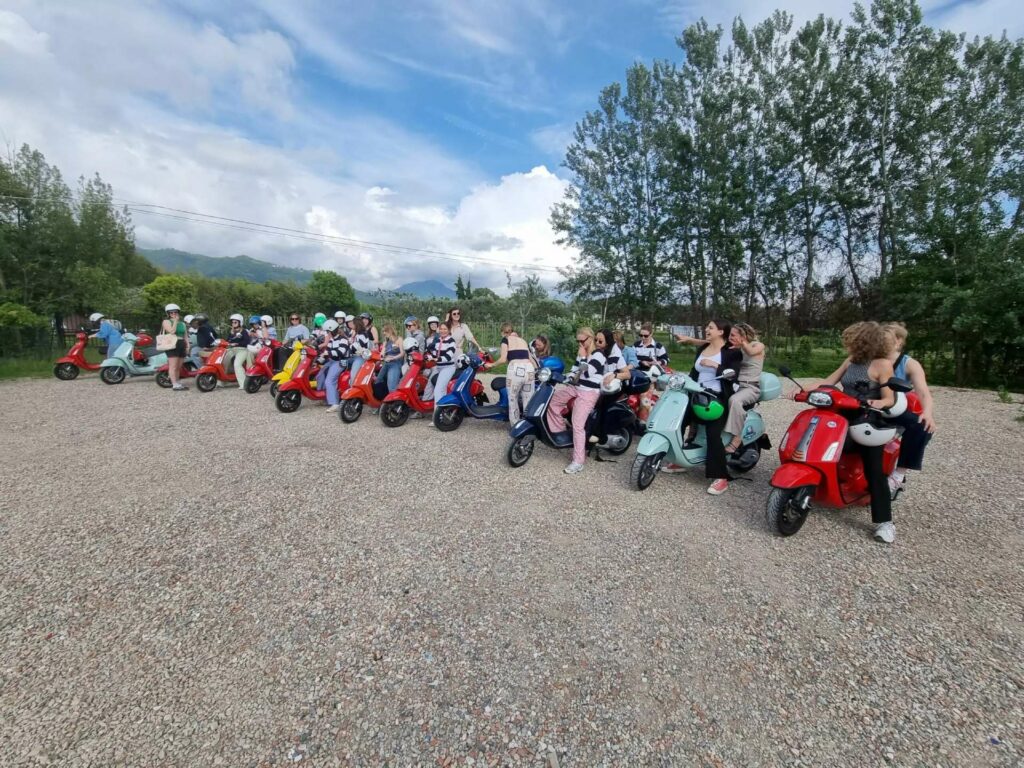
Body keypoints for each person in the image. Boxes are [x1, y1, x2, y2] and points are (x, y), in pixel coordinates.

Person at [804, 321, 898, 543]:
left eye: (850, 340)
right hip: (841, 415)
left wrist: (877, 402)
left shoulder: (882, 364)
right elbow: (829, 382)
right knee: (817, 445)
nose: (846, 343)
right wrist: (803, 390)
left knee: (874, 469)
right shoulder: (851, 360)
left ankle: (885, 523)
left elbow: (889, 398)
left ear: (863, 341)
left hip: (866, 418)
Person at [671, 320, 741, 495]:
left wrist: (715, 365)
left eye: (710, 327)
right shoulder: (703, 348)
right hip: (696, 394)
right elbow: (694, 372)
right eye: (707, 327)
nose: (706, 329)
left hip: (716, 398)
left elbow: (733, 375)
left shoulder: (731, 352)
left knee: (713, 434)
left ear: (721, 332)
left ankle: (721, 477)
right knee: (677, 421)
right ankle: (679, 459)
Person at [547, 327, 629, 474]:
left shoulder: (599, 354)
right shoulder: (582, 352)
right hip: (577, 387)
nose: (580, 344)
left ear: (589, 339)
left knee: (578, 425)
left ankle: (578, 461)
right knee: (553, 401)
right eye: (578, 341)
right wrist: (567, 377)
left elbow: (589, 371)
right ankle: (560, 433)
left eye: (582, 341)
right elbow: (575, 369)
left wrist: (584, 356)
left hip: (589, 392)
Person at [884, 322, 936, 499]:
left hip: (894, 409)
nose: (881, 342)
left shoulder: (909, 364)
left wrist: (927, 413)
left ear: (898, 341)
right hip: (870, 404)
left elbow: (923, 393)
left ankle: (899, 474)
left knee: (922, 426)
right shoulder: (871, 359)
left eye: (886, 339)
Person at [724, 323, 766, 454]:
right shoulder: (735, 348)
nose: (730, 337)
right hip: (735, 385)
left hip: (750, 387)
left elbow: (751, 352)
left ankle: (736, 439)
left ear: (743, 336)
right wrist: (690, 340)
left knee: (734, 401)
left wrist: (742, 343)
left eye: (733, 335)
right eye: (729, 335)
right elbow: (712, 343)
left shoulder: (757, 345)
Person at [492, 322, 535, 425]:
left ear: (503, 332)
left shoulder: (505, 340)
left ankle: (516, 426)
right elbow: (531, 358)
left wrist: (491, 365)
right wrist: (538, 370)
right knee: (528, 400)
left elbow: (503, 359)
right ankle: (528, 425)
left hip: (515, 370)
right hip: (529, 369)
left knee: (513, 399)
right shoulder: (523, 340)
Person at [427, 322, 459, 422]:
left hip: (448, 367)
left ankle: (438, 417)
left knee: (438, 390)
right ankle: (442, 411)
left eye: (445, 329)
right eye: (441, 329)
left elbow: (449, 356)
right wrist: (429, 356)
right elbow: (433, 351)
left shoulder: (451, 341)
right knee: (429, 384)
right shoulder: (437, 340)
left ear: (449, 330)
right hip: (438, 367)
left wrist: (437, 359)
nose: (443, 331)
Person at [319, 319, 350, 413]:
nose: (327, 334)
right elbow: (327, 351)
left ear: (331, 331)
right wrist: (319, 360)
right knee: (319, 375)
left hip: (341, 361)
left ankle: (335, 403)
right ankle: (324, 396)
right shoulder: (332, 340)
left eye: (327, 332)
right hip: (332, 361)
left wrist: (327, 353)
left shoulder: (343, 339)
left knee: (329, 380)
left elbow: (341, 352)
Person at [161, 303, 189, 390]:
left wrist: (188, 346)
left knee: (179, 366)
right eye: (171, 312)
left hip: (181, 343)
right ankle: (174, 384)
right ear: (168, 314)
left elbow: (185, 336)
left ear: (178, 312)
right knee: (173, 366)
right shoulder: (166, 322)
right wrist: (175, 321)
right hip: (172, 344)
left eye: (175, 312)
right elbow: (172, 331)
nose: (173, 314)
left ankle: (177, 382)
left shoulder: (183, 324)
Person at [223, 313, 250, 386]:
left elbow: (247, 342)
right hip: (232, 349)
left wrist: (237, 344)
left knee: (237, 364)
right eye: (232, 322)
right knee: (223, 362)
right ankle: (222, 381)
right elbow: (227, 341)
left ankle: (243, 384)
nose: (233, 324)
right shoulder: (232, 332)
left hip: (242, 350)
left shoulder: (244, 331)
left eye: (235, 322)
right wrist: (231, 335)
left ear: (240, 323)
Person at [377, 323, 405, 393]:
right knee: (378, 381)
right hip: (386, 363)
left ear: (390, 330)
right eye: (383, 331)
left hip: (395, 363)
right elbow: (382, 354)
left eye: (385, 331)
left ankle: (395, 399)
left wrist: (393, 358)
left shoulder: (399, 339)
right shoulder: (386, 341)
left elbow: (402, 353)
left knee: (392, 387)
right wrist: (382, 355)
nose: (384, 333)